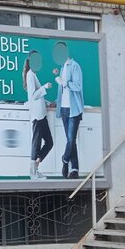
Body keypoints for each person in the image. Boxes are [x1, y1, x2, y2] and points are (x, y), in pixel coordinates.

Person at [53, 41, 84, 179]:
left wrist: (63, 82)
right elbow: (62, 92)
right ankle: (75, 169)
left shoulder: (75, 66)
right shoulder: (62, 68)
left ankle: (65, 160)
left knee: (71, 139)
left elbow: (77, 86)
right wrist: (57, 103)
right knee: (71, 140)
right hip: (64, 108)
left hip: (74, 109)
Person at [23, 52, 53, 180]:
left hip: (41, 114)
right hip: (37, 115)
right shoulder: (30, 75)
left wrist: (48, 103)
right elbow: (33, 96)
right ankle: (33, 173)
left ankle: (35, 168)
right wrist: (45, 87)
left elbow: (38, 96)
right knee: (36, 143)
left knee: (49, 142)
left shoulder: (33, 75)